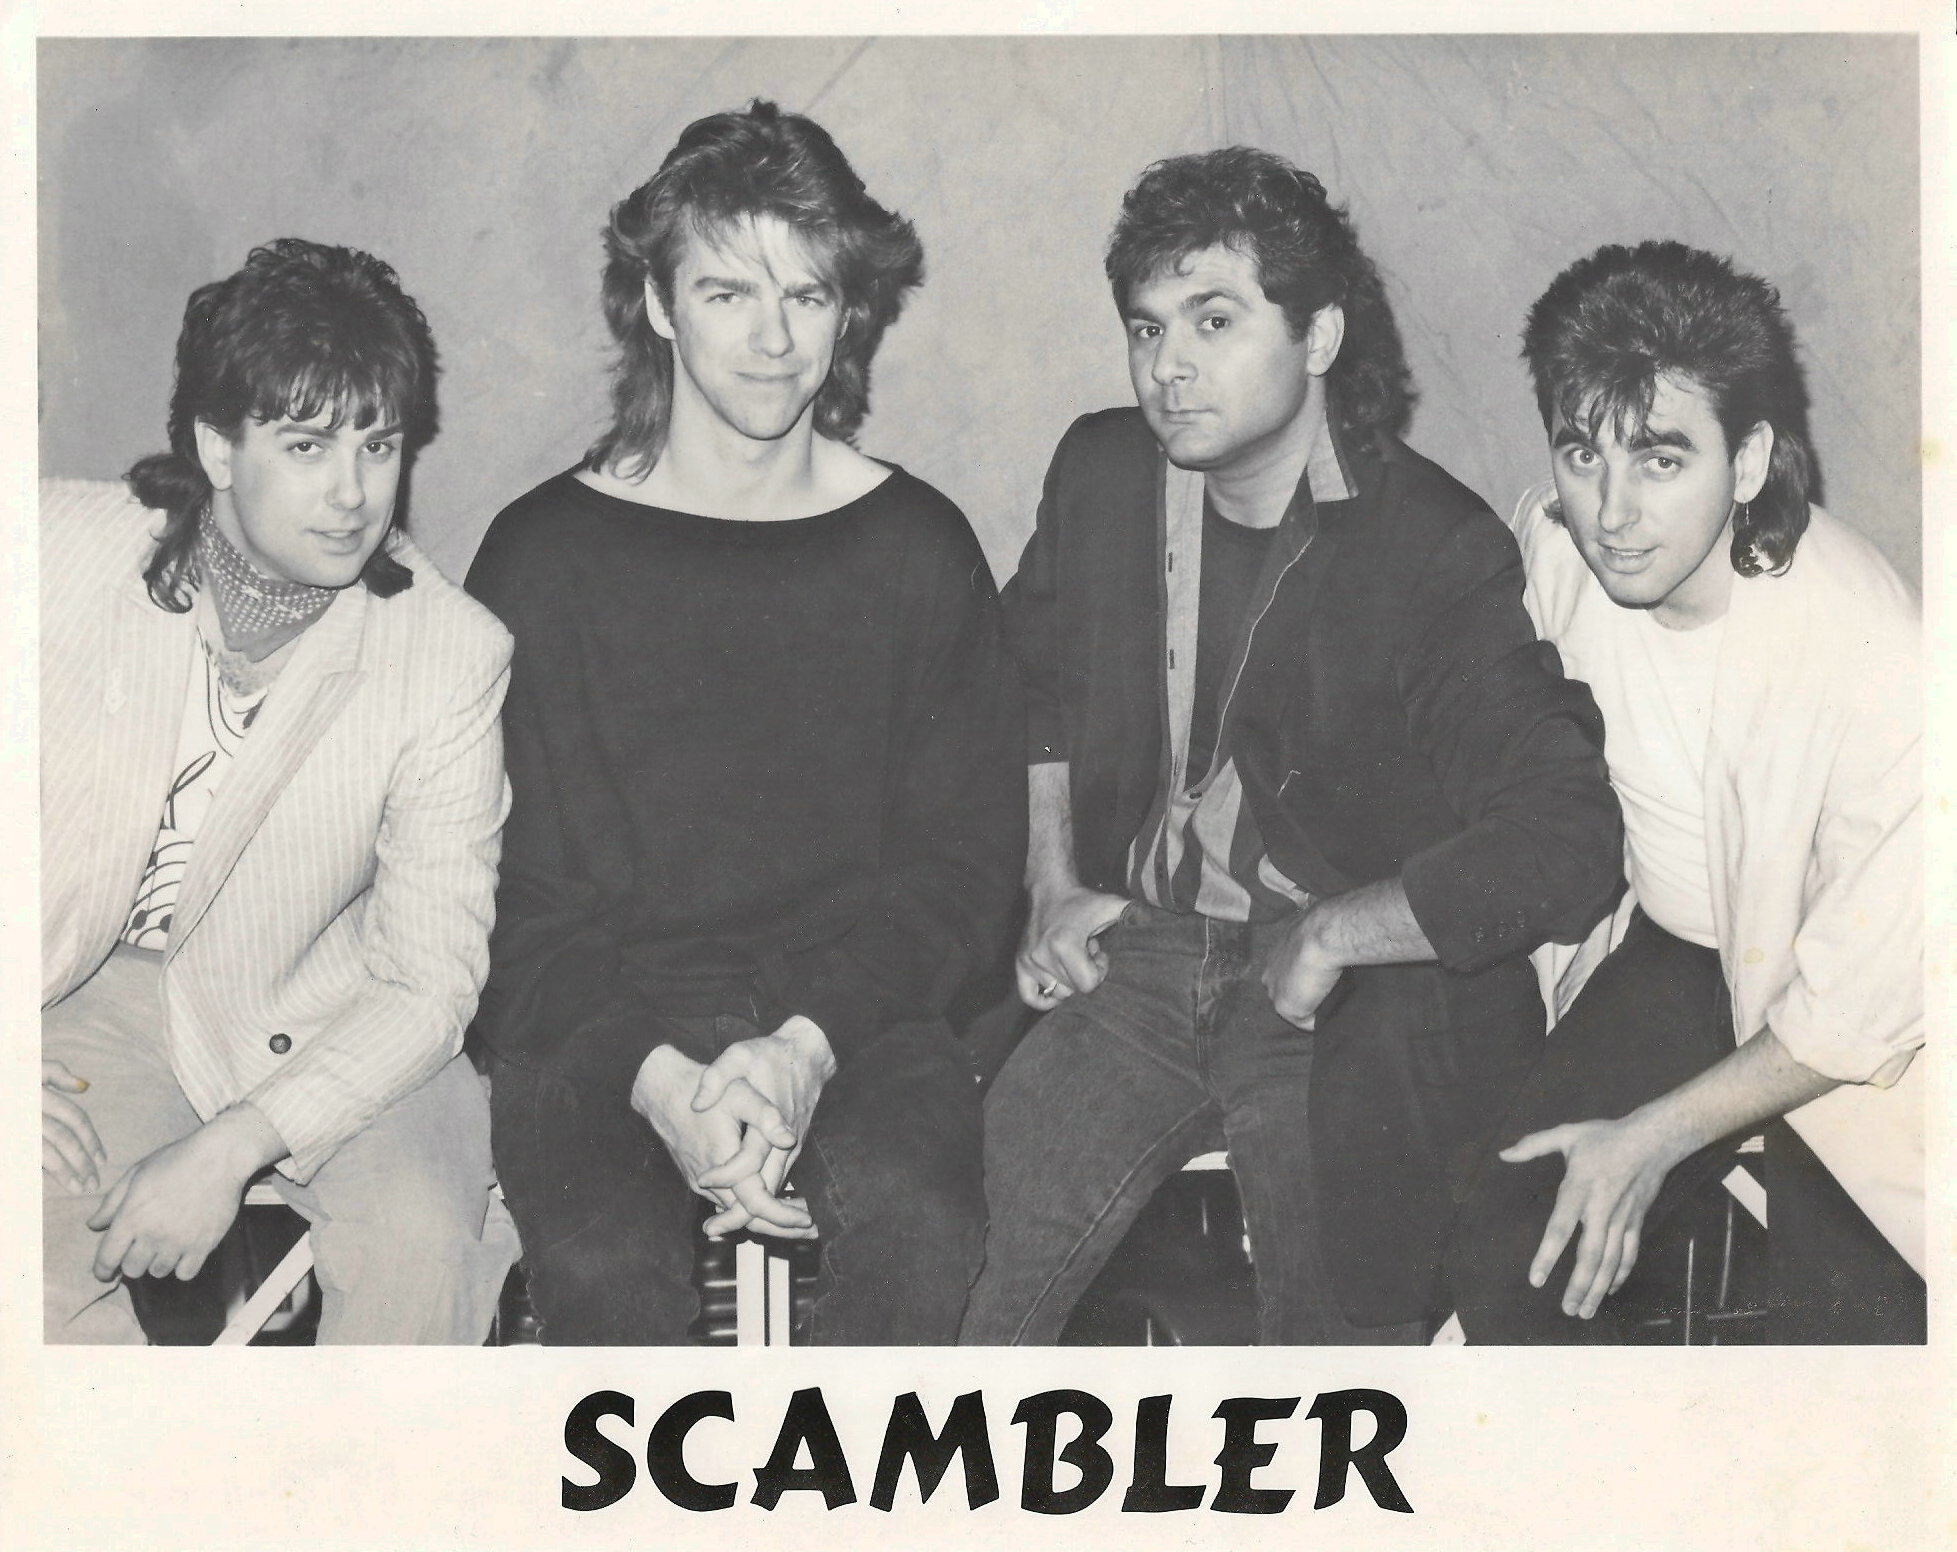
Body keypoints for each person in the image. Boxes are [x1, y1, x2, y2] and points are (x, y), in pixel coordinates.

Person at [960, 148, 1623, 1345]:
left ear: (1318, 336)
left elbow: (1565, 838)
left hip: (1325, 998)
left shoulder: (1431, 546)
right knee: (968, 1303)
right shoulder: (1102, 474)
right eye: (1146, 327)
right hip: (1132, 960)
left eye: (1213, 321)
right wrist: (1050, 881)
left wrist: (1333, 933)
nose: (1167, 365)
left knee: (1327, 1357)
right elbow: (1028, 679)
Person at [467, 100, 1023, 1345]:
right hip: (599, 1018)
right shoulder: (540, 557)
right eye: (728, 294)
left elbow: (964, 871)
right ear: (657, 304)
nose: (774, 341)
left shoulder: (919, 546)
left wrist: (806, 1049)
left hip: (856, 1010)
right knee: (606, 1269)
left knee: (920, 1222)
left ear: (848, 309)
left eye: (808, 295)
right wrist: (657, 1081)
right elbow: (503, 892)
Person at [41, 238, 520, 1343]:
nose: (353, 495)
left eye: (378, 445)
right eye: (307, 446)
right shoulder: (51, 555)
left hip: (333, 1004)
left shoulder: (451, 654)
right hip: (87, 993)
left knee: (424, 1247)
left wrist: (232, 1145)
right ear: (217, 446)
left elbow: (429, 982)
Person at [1445, 240, 1925, 1343]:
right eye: (1582, 453)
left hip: (1870, 1013)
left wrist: (1649, 1137)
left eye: (1660, 460)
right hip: (1684, 953)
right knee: (1513, 1259)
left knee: (1852, 1336)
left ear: (1747, 460)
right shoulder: (1556, 550)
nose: (1610, 512)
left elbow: (1856, 1006)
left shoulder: (1875, 651)